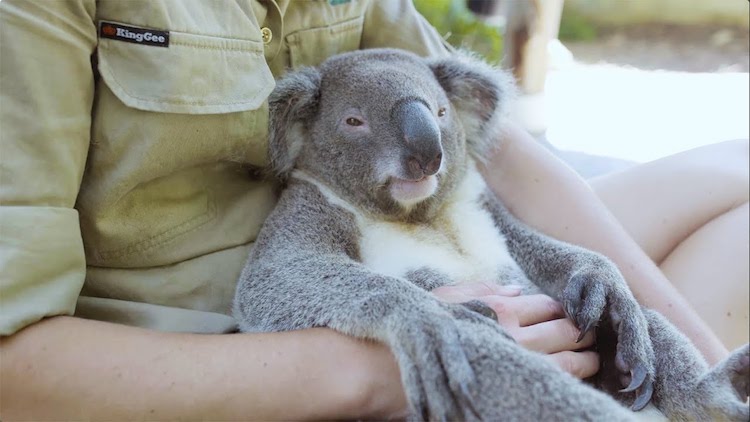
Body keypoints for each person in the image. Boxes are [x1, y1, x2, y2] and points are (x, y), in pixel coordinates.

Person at [0, 0, 746, 419]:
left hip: (413, 241)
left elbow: (498, 146)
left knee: (736, 180)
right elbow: (13, 370)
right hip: (227, 359)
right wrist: (403, 358)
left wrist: (687, 359)